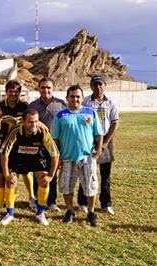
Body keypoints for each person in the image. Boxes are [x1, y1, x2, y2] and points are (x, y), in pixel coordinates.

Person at [52, 85, 103, 227]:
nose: (75, 99)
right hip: (67, 158)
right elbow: (54, 139)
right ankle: (69, 210)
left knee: (90, 186)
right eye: (72, 96)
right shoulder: (60, 116)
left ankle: (91, 212)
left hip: (87, 157)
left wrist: (98, 151)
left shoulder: (90, 113)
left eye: (78, 96)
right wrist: (58, 156)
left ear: (82, 98)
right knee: (67, 187)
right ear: (67, 98)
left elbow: (98, 134)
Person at [0, 109, 59, 225]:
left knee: (44, 181)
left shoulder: (43, 132)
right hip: (18, 159)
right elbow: (4, 153)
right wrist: (7, 174)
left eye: (36, 121)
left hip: (36, 159)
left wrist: (51, 175)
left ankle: (40, 213)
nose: (34, 125)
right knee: (11, 181)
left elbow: (55, 153)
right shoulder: (16, 131)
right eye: (30, 122)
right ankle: (10, 213)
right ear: (23, 122)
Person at [77, 75, 119, 215]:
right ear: (91, 86)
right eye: (95, 84)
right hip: (89, 141)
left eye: (100, 84)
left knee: (105, 175)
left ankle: (106, 204)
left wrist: (105, 142)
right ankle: (82, 202)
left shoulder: (110, 103)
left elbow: (114, 122)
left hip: (106, 140)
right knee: (86, 172)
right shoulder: (86, 102)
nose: (98, 87)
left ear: (105, 86)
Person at [0, 80, 37, 212]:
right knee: (7, 173)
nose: (13, 94)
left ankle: (31, 197)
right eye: (10, 91)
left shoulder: (25, 106)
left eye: (16, 91)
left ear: (20, 93)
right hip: (5, 143)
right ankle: (6, 200)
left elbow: (33, 120)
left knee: (26, 172)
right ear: (6, 92)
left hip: (22, 143)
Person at [29, 77, 66, 212]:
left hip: (55, 144)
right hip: (37, 144)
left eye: (48, 87)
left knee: (52, 173)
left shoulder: (61, 104)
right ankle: (38, 200)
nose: (46, 90)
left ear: (53, 89)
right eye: (43, 87)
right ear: (39, 89)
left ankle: (51, 201)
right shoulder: (33, 106)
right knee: (36, 173)